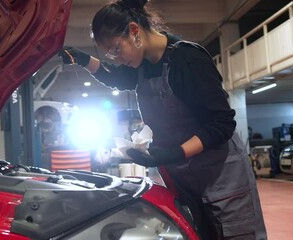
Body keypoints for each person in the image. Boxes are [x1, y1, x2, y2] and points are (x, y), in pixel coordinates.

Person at [58, 0, 267, 239]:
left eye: (116, 49)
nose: (115, 58)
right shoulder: (142, 65)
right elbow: (117, 77)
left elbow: (222, 123)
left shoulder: (187, 60)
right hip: (185, 178)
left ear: (134, 30)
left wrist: (175, 153)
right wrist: (83, 60)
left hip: (221, 177)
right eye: (108, 53)